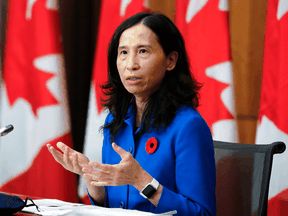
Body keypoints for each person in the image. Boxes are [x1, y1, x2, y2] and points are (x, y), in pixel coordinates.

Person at [47, 12, 216, 216]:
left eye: (143, 51)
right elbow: (116, 208)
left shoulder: (188, 126)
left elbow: (202, 214)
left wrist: (142, 181)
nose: (130, 64)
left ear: (170, 60)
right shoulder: (116, 120)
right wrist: (92, 180)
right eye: (123, 53)